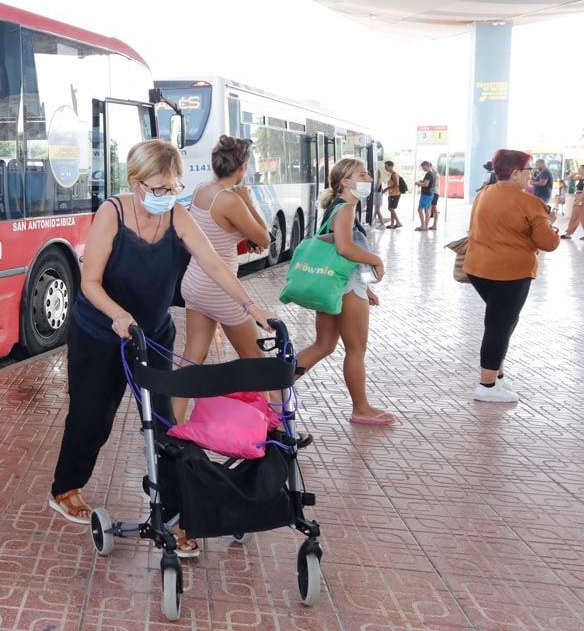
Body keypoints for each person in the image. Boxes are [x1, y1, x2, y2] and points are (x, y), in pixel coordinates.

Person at [47, 140, 275, 557]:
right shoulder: (110, 214)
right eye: (157, 188)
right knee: (93, 417)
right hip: (100, 332)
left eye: (172, 187)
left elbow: (213, 262)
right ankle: (65, 488)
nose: (166, 196)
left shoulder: (177, 214)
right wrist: (118, 315)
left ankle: (172, 511)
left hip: (151, 333)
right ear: (135, 183)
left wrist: (249, 306)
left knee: (166, 424)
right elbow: (90, 283)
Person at [175, 136, 272, 420]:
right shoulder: (231, 199)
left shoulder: (201, 190)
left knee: (193, 356)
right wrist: (249, 202)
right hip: (222, 290)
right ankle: (273, 425)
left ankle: (172, 421)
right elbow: (264, 238)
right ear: (242, 167)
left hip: (195, 283)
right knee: (257, 363)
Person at [295, 158, 396, 426]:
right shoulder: (347, 209)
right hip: (345, 288)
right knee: (355, 350)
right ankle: (361, 409)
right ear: (346, 182)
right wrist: (376, 260)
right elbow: (344, 248)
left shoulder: (335, 208)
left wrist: (366, 285)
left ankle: (274, 386)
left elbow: (341, 252)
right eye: (362, 174)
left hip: (335, 284)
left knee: (323, 345)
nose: (369, 178)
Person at [464, 150, 559, 403]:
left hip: (478, 269)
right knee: (499, 325)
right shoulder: (530, 202)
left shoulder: (484, 193)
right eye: (529, 171)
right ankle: (487, 385)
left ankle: (498, 375)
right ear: (516, 173)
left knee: (503, 321)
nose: (532, 176)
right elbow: (547, 243)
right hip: (510, 274)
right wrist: (551, 223)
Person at [561, 165, 584, 240]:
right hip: (578, 196)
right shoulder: (581, 177)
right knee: (575, 216)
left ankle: (569, 233)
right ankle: (568, 233)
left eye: (580, 169)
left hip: (581, 198)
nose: (579, 170)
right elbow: (567, 178)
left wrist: (579, 200)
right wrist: (576, 172)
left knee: (582, 217)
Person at [416, 161, 436, 231]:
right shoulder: (433, 173)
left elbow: (426, 184)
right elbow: (428, 184)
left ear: (426, 165)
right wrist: (422, 182)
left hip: (426, 194)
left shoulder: (428, 174)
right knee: (427, 210)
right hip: (430, 194)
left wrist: (418, 183)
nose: (422, 168)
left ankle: (423, 225)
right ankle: (426, 225)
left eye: (423, 167)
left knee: (420, 209)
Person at [384, 161, 402, 228]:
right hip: (392, 194)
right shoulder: (391, 174)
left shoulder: (394, 174)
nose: (385, 168)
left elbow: (396, 184)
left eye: (386, 166)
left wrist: (386, 188)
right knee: (391, 208)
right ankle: (392, 224)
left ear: (390, 166)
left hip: (395, 194)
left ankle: (398, 222)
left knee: (391, 208)